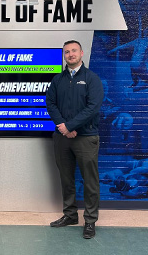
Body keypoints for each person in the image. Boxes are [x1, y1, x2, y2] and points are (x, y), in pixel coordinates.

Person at [45, 40, 104, 239]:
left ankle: (90, 221)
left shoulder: (91, 79)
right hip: (62, 137)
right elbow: (50, 104)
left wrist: (70, 126)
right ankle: (70, 215)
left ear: (81, 53)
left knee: (90, 181)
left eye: (73, 51)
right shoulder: (57, 80)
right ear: (64, 55)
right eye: (67, 52)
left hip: (86, 138)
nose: (70, 54)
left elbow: (93, 107)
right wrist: (63, 126)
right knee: (66, 178)